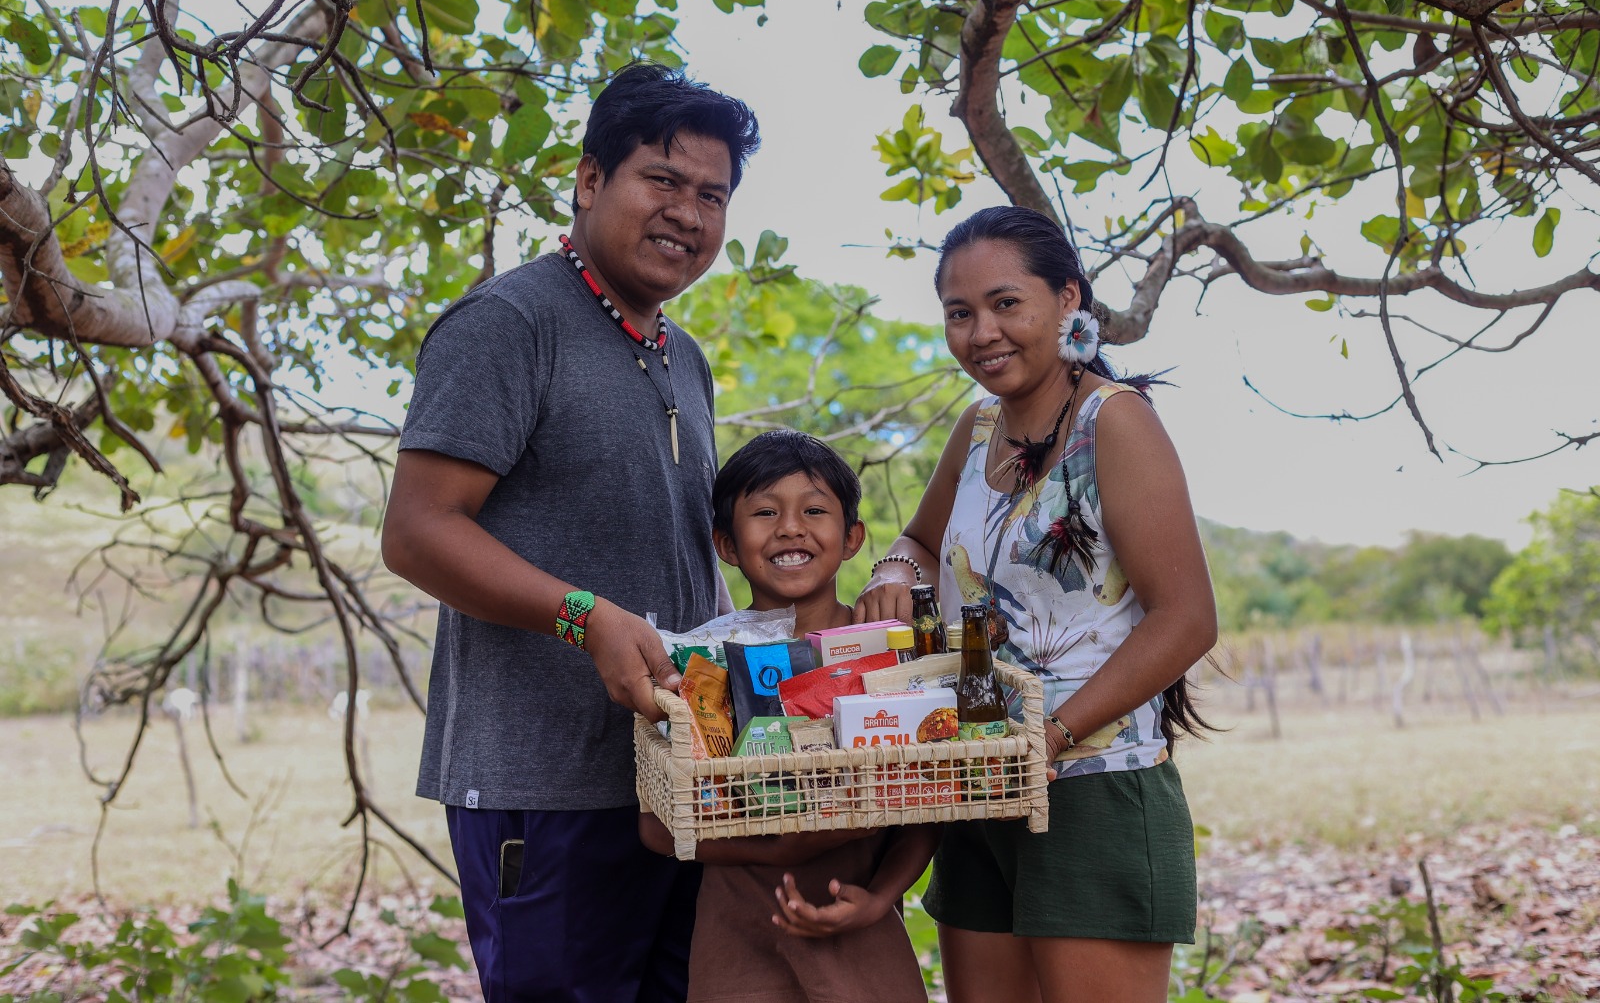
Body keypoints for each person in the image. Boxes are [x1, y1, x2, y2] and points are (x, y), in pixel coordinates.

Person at [381, 63, 760, 1002]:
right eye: (662, 181)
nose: (688, 213)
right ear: (590, 181)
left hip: (676, 784)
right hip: (544, 789)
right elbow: (418, 532)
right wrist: (583, 616)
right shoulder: (508, 322)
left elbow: (679, 560)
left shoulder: (684, 355)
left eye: (711, 195)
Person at [854, 206, 1218, 1003]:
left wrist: (1049, 737)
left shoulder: (1114, 426)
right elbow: (916, 541)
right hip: (976, 779)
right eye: (960, 312)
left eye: (1005, 303)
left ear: (1067, 300)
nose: (982, 331)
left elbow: (1187, 619)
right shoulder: (976, 428)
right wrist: (890, 568)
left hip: (1089, 784)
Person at [640, 430, 936, 1003]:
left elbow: (933, 797)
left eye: (815, 510)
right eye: (765, 512)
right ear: (725, 544)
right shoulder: (697, 663)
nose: (791, 528)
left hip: (859, 918)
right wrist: (774, 850)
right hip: (738, 934)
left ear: (852, 538)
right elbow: (654, 827)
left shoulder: (885, 650)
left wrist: (882, 897)